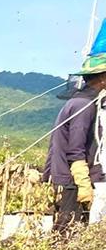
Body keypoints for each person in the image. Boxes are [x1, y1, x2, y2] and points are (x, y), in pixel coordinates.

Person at [44, 48, 106, 232]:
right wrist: (83, 182)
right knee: (69, 230)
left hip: (70, 177)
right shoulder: (84, 106)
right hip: (72, 180)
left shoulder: (81, 102)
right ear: (102, 78)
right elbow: (75, 148)